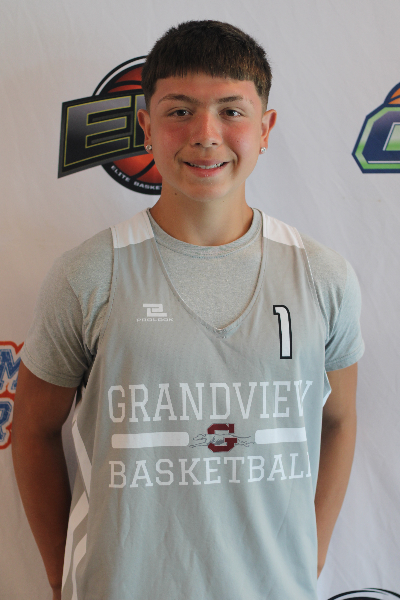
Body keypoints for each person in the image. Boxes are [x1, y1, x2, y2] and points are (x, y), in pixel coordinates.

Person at [12, 20, 364, 600]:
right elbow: (32, 430)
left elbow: (340, 420)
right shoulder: (89, 274)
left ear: (265, 128)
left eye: (232, 111)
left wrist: (312, 550)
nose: (205, 134)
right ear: (146, 127)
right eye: (180, 111)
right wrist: (60, 576)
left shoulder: (322, 276)